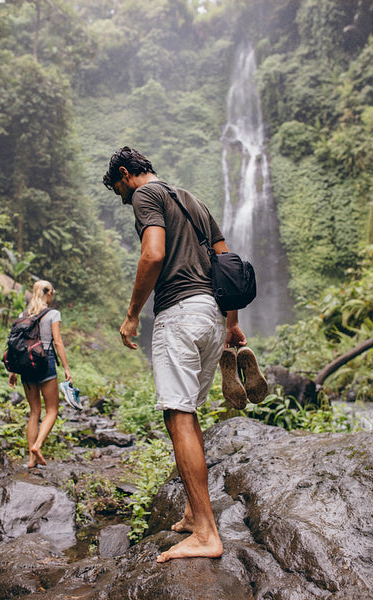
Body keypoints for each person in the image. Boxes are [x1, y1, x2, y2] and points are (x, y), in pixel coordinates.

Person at [103, 147, 247, 563]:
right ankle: (191, 512)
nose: (126, 201)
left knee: (177, 414)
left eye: (120, 193)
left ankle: (205, 533)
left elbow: (153, 253)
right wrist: (232, 324)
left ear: (126, 174)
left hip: (180, 314)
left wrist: (132, 316)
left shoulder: (148, 196)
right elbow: (227, 261)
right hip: (211, 316)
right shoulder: (193, 200)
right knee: (190, 411)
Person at [8, 280, 73, 468]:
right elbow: (58, 342)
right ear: (49, 293)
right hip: (46, 364)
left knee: (34, 411)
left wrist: (13, 371)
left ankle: (31, 459)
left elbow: (16, 345)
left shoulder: (23, 315)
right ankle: (37, 445)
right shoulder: (53, 314)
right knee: (52, 410)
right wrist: (66, 368)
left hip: (26, 366)